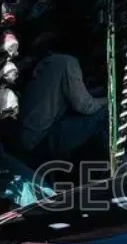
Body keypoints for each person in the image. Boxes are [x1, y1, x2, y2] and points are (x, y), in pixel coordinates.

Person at [17, 24, 107, 161]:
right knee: (106, 114)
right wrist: (109, 101)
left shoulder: (48, 63)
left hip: (27, 136)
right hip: (40, 140)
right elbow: (84, 106)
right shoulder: (67, 63)